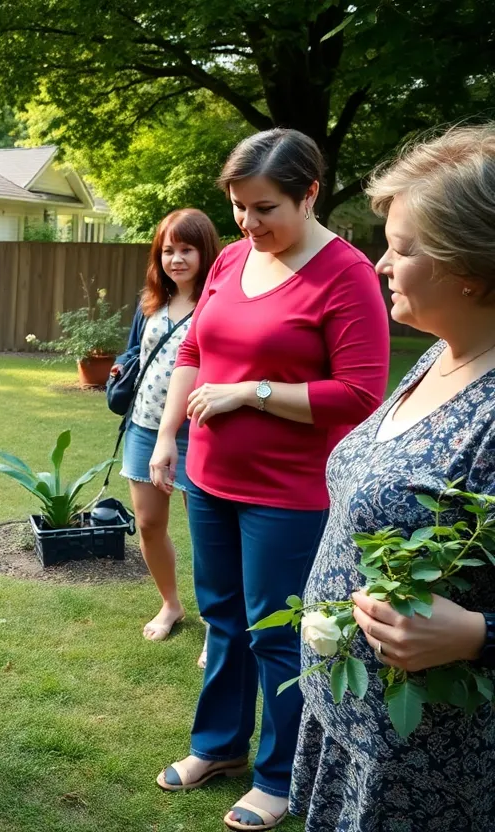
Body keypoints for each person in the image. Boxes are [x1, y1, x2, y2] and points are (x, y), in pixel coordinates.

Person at [150, 128, 390, 830]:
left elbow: (359, 391)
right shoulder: (229, 259)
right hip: (211, 476)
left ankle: (280, 775)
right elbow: (194, 348)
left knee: (279, 632)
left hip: (290, 492)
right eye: (239, 207)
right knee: (223, 619)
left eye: (265, 209)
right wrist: (168, 436)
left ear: (308, 194)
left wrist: (250, 393)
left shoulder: (343, 274)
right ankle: (217, 746)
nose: (249, 224)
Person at [290, 124, 495, 831]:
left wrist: (478, 633)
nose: (379, 264)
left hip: (428, 768)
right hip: (352, 725)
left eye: (402, 249)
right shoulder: (442, 354)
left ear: (473, 266)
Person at [114, 209, 220, 656]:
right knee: (149, 524)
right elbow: (137, 348)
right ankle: (171, 604)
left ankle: (218, 624)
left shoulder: (219, 301)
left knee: (207, 532)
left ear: (204, 251)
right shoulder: (151, 301)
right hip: (144, 427)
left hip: (199, 431)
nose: (176, 259)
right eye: (168, 250)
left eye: (186, 249)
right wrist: (123, 364)